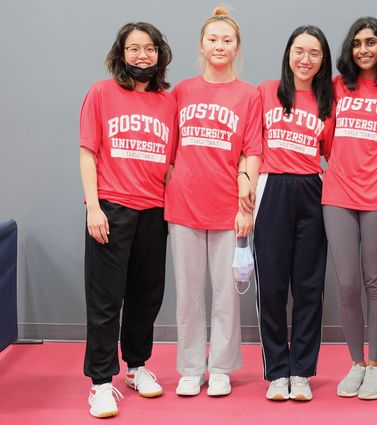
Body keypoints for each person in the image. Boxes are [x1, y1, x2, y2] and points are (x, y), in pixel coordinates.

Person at [79, 22, 176, 418]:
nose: (142, 56)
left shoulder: (168, 102)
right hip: (112, 208)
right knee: (105, 302)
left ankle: (137, 367)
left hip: (155, 210)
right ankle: (101, 382)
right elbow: (88, 152)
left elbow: (171, 164)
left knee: (146, 296)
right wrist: (93, 206)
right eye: (134, 48)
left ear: (159, 54)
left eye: (149, 48)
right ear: (121, 54)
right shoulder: (100, 93)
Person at [164, 7, 261, 397]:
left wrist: (246, 207)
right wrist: (179, 184)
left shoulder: (248, 94)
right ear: (202, 46)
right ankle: (190, 367)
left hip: (227, 210)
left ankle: (220, 366)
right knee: (188, 295)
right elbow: (169, 151)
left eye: (227, 40)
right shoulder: (182, 91)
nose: (219, 46)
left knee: (226, 296)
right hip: (184, 208)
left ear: (237, 47)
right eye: (213, 39)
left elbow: (252, 152)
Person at [321, 16, 377, 400]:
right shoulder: (336, 87)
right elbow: (324, 141)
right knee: (345, 284)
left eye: (371, 42)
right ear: (350, 48)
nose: (364, 49)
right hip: (338, 194)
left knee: (374, 279)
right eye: (357, 42)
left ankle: (376, 367)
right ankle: (355, 363)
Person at [254, 25, 334, 402]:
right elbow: (250, 148)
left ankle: (301, 370)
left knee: (308, 286)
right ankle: (276, 371)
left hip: (311, 189)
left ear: (323, 60)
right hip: (272, 189)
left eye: (314, 53)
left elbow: (335, 153)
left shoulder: (327, 101)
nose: (306, 59)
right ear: (288, 53)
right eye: (299, 50)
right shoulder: (266, 92)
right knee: (271, 285)